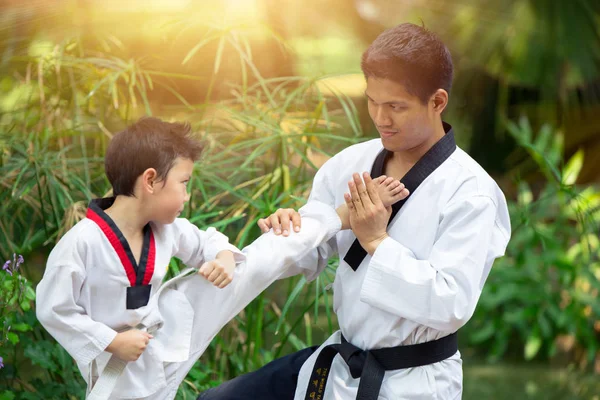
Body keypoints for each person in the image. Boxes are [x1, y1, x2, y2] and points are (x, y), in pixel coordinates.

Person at [198, 23, 511, 400]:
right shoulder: (351, 162)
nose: (380, 118)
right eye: (372, 101)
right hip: (341, 362)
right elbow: (312, 255)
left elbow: (450, 304)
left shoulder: (470, 192)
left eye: (396, 106)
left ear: (437, 101)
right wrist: (290, 228)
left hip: (413, 380)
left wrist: (377, 240)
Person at [35, 117, 408, 400]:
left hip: (167, 335)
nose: (187, 196)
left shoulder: (168, 229)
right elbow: (53, 309)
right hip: (121, 370)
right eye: (183, 183)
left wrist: (225, 256)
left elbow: (209, 242)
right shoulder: (82, 242)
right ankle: (335, 217)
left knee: (255, 262)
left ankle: (336, 217)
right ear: (150, 180)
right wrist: (109, 341)